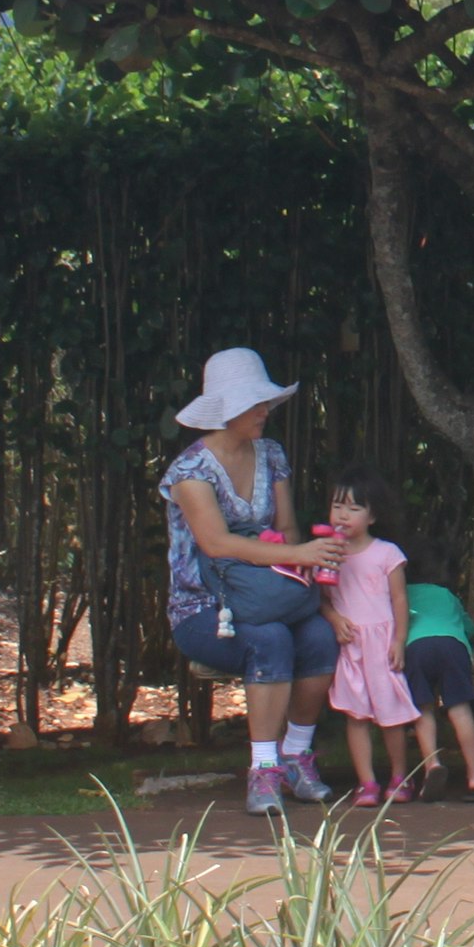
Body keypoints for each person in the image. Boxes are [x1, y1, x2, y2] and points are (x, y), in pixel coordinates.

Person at [160, 347, 344, 818]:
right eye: (256, 404)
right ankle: (263, 768)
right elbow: (217, 543)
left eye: (266, 403)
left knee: (320, 637)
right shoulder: (190, 471)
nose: (266, 412)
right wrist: (294, 554)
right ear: (227, 409)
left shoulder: (271, 454)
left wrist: (309, 581)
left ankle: (296, 755)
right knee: (269, 640)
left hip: (272, 593)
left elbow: (288, 531)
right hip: (206, 608)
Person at [319, 470, 417, 808]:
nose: (343, 515)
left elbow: (399, 599)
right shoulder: (327, 553)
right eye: (337, 506)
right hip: (351, 644)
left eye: (354, 508)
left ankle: (400, 777)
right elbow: (320, 598)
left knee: (391, 714)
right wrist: (334, 620)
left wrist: (399, 640)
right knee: (356, 715)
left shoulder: (387, 553)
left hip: (382, 640)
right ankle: (367, 783)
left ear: (373, 516)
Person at [394, 534, 474, 801]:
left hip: (416, 648)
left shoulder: (402, 594)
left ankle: (431, 765)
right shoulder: (448, 596)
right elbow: (469, 628)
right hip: (452, 646)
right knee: (459, 708)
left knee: (423, 708)